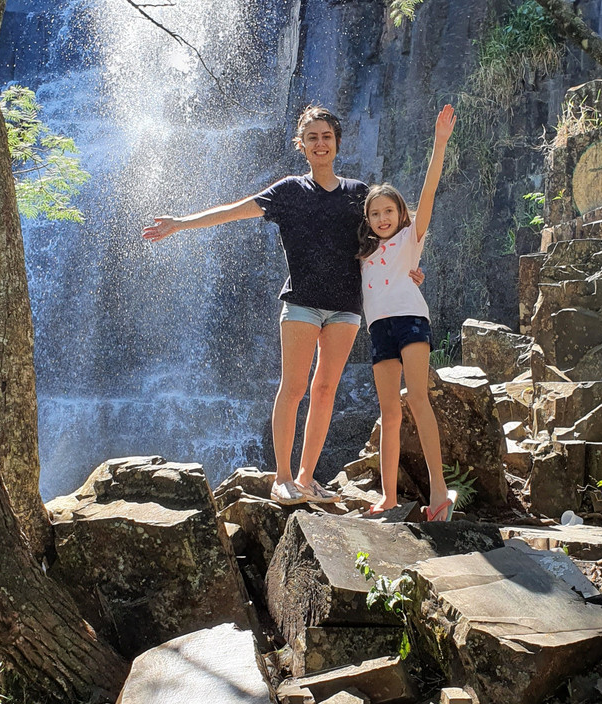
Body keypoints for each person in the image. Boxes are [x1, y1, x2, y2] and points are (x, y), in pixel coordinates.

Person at [144, 107, 418, 505]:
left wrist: (411, 269)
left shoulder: (359, 194)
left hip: (346, 307)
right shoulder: (289, 191)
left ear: (337, 142)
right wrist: (181, 223)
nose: (320, 143)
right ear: (302, 145)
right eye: (312, 137)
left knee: (325, 391)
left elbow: (390, 233)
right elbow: (234, 211)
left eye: (326, 136)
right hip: (302, 304)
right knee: (293, 389)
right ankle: (283, 477)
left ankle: (307, 478)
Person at [358, 104, 457, 522]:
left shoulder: (409, 240)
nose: (383, 218)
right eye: (375, 213)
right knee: (389, 412)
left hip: (412, 322)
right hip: (379, 329)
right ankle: (388, 496)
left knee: (418, 399)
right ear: (368, 219)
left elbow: (429, 192)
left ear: (400, 214)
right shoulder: (361, 253)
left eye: (389, 211)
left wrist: (439, 144)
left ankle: (438, 493)